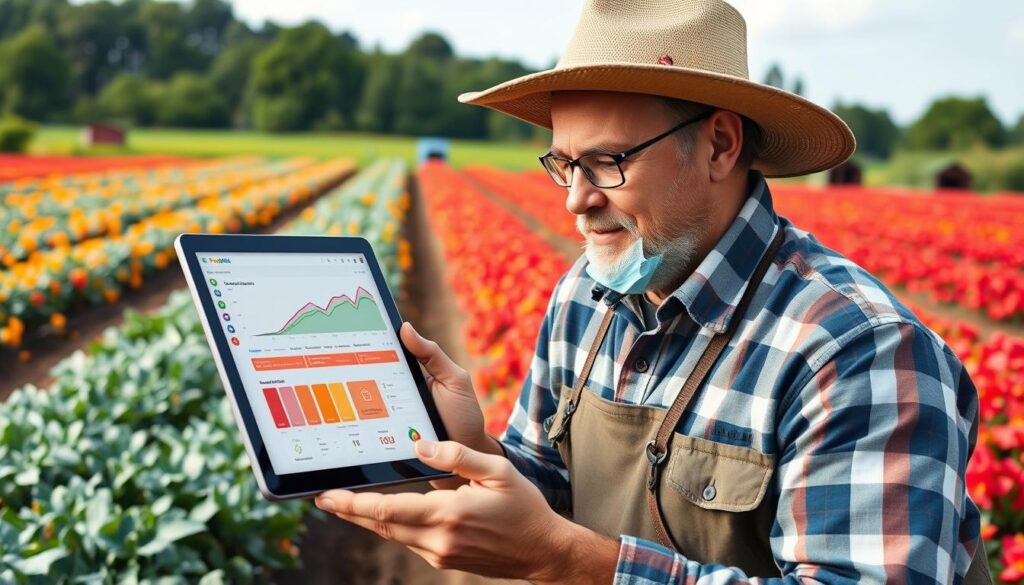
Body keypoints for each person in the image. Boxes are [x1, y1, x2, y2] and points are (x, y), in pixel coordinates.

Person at [315, 1, 993, 582]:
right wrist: (471, 453)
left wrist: (574, 562)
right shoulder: (586, 294)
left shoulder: (855, 350)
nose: (577, 199)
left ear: (720, 145)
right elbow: (551, 493)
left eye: (608, 162)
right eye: (564, 163)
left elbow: (561, 545)